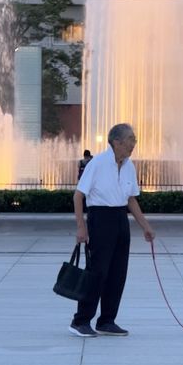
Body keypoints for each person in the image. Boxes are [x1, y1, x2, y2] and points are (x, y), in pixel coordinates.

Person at [70, 123, 155, 337]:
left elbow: (131, 199)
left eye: (134, 140)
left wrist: (145, 226)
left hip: (120, 219)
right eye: (131, 139)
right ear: (116, 141)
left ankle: (107, 320)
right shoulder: (97, 163)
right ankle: (81, 321)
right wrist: (81, 227)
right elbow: (78, 196)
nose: (134, 144)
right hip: (100, 218)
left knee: (118, 273)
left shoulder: (128, 165)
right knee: (97, 272)